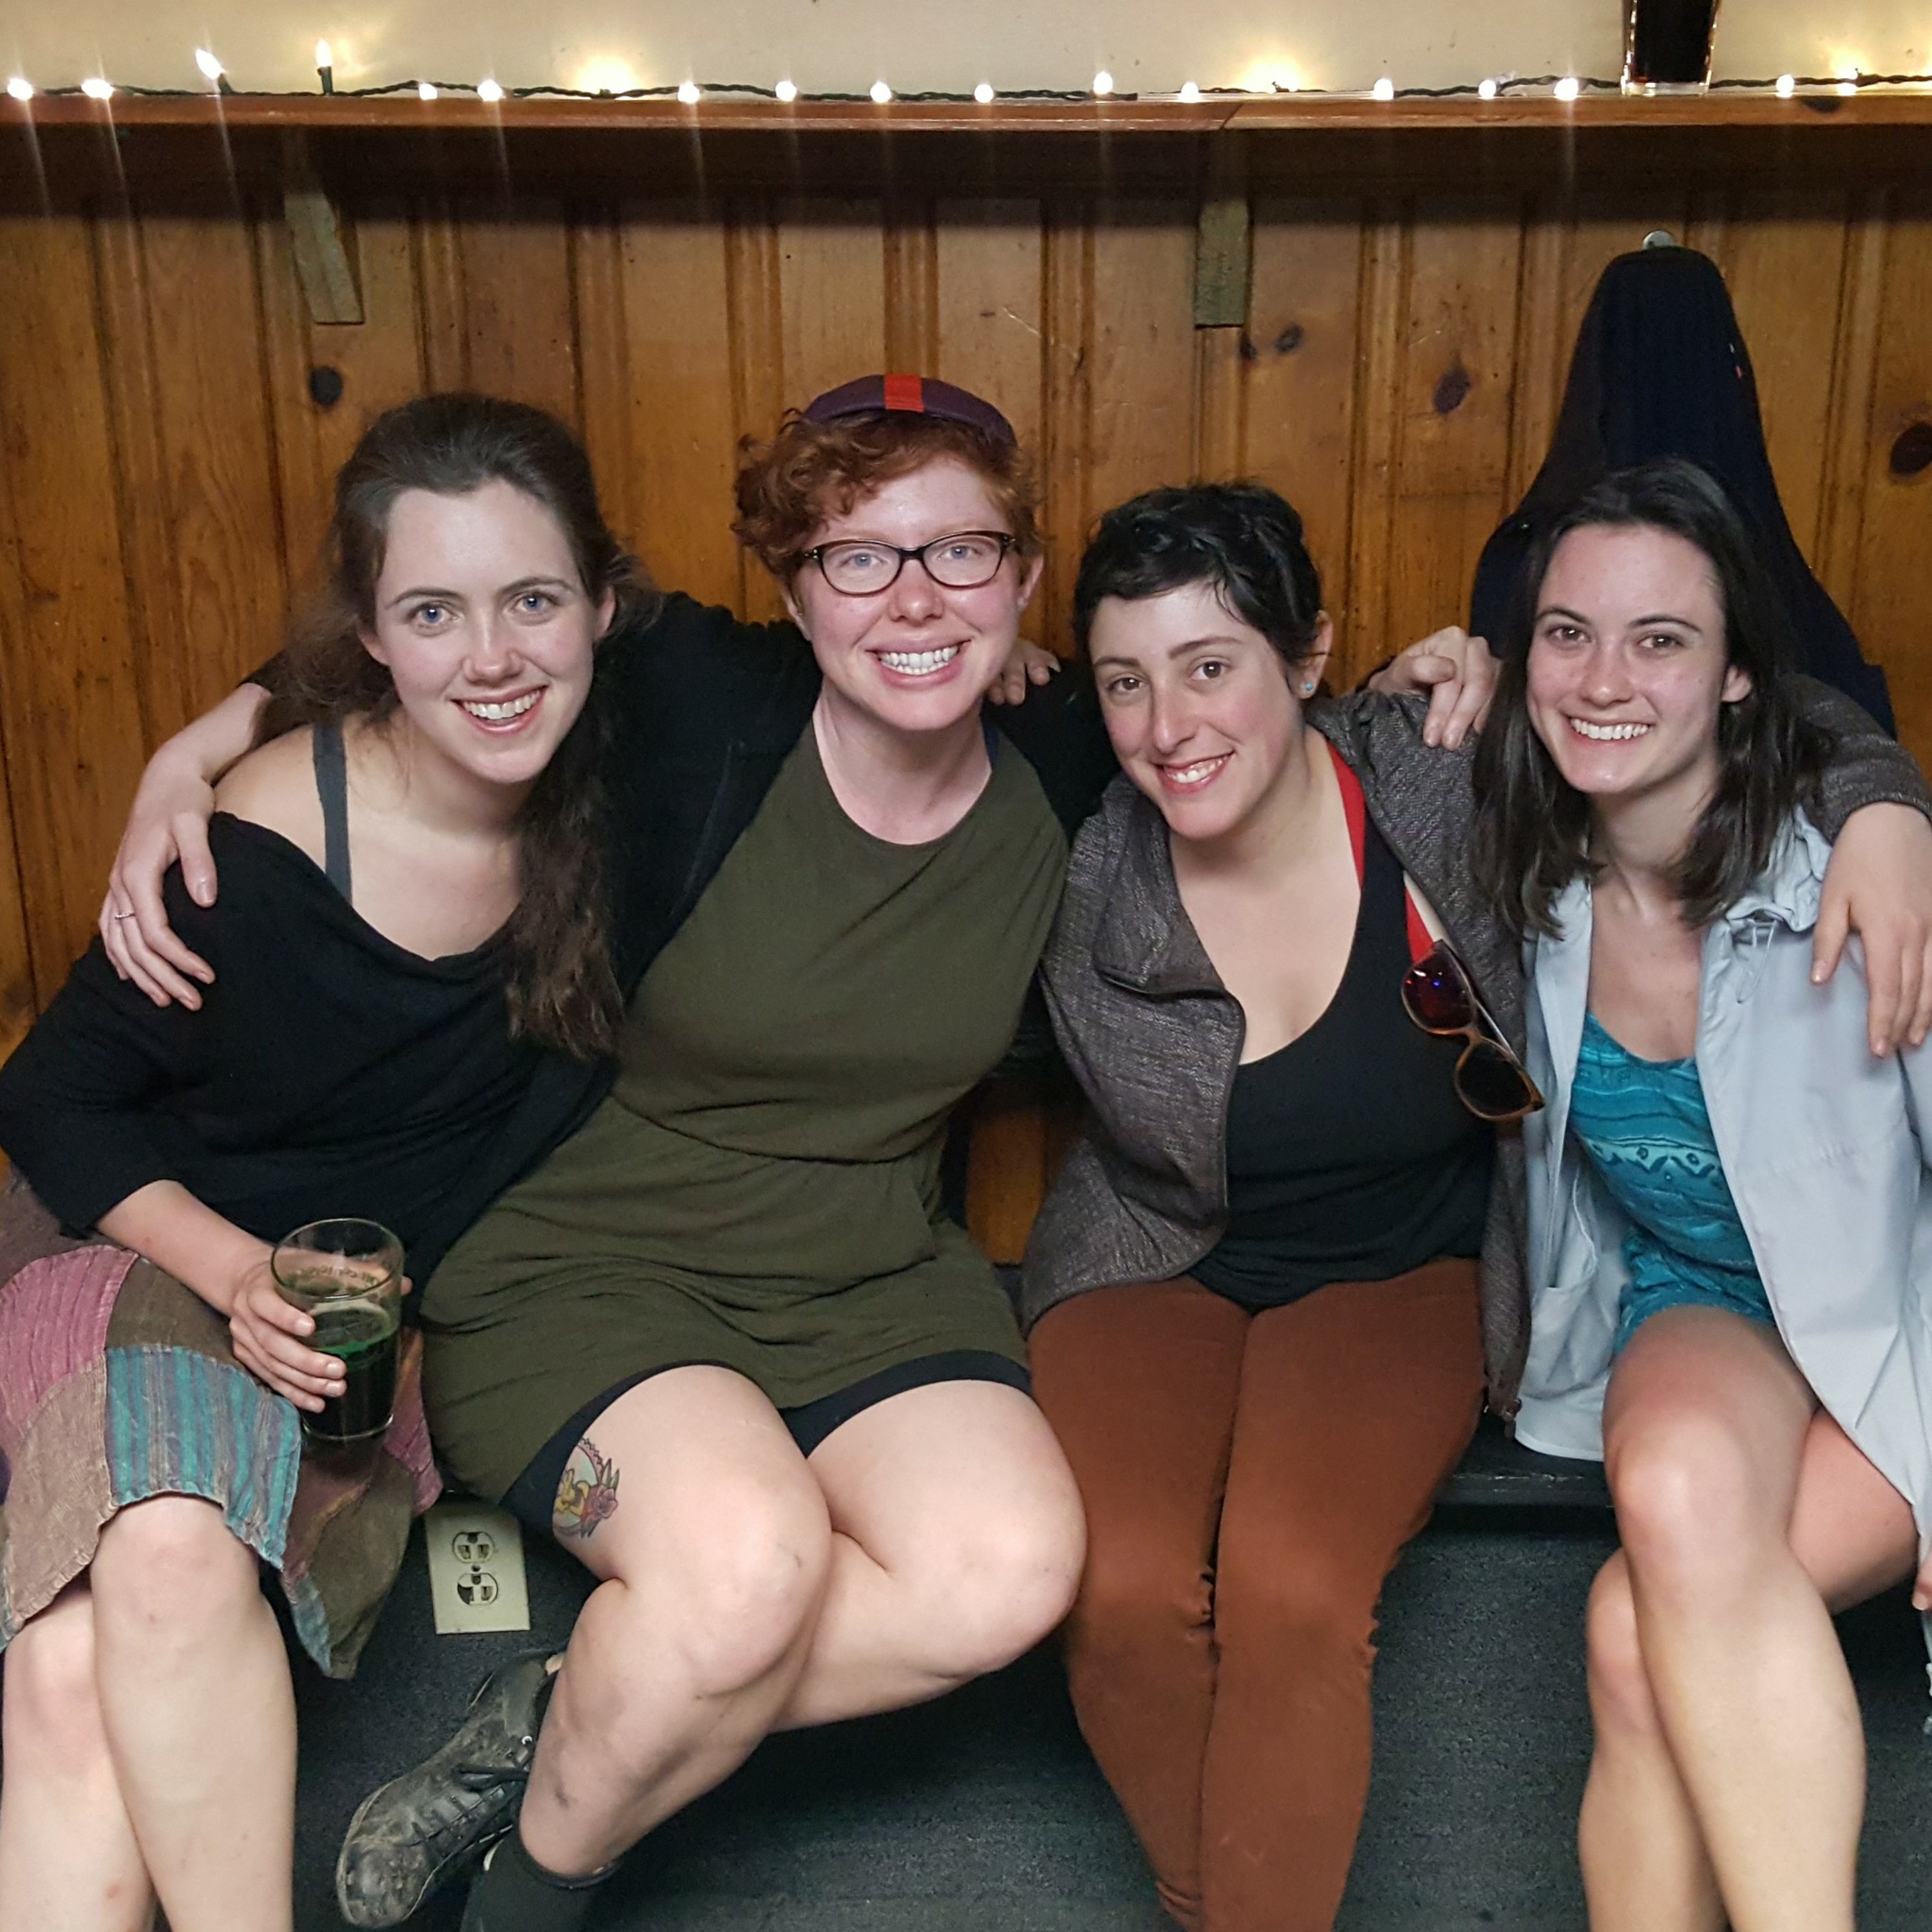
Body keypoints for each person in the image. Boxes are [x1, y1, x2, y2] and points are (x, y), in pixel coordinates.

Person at [93, 375, 1115, 1932]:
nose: (915, 598)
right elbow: (446, 635)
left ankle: (566, 1708)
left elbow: (1247, 706)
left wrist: (1464, 663)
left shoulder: (1070, 751)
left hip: (871, 1275)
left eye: (960, 553)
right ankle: (540, 1896)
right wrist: (199, 746)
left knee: (1008, 1574)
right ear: (794, 587)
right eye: (859, 556)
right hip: (588, 1267)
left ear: (1023, 577)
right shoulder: (704, 697)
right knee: (742, 1569)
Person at [1019, 478, 1932, 1932]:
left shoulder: (1448, 788)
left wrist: (1887, 803)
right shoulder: (1126, 855)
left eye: (1211, 666)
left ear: (1307, 661)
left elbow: (1771, 715)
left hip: (1448, 1269)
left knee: (1341, 1591)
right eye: (1127, 681)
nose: (1169, 721)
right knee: (1121, 1586)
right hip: (1202, 1260)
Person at [0, 392, 641, 1932]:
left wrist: (1013, 672)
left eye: (532, 600)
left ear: (601, 608)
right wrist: (240, 1272)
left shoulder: (640, 761)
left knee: (71, 1668)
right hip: (154, 1245)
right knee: (161, 1557)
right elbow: (53, 1102)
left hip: (362, 1327)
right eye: (432, 613)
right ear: (370, 636)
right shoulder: (264, 837)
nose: (491, 656)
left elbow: (888, 637)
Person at [1470, 457, 1932, 1932]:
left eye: (1659, 639)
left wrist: (1889, 806)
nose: (1603, 678)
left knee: (1630, 1634)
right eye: (1566, 633)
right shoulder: (1517, 873)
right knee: (1668, 1490)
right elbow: (1277, 739)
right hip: (1701, 1303)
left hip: (1901, 1333)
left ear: (1737, 674)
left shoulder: (1863, 878)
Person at [1469, 242, 1894, 730]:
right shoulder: (1772, 570)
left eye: (1661, 641)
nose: (1604, 688)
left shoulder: (1525, 553)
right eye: (1568, 634)